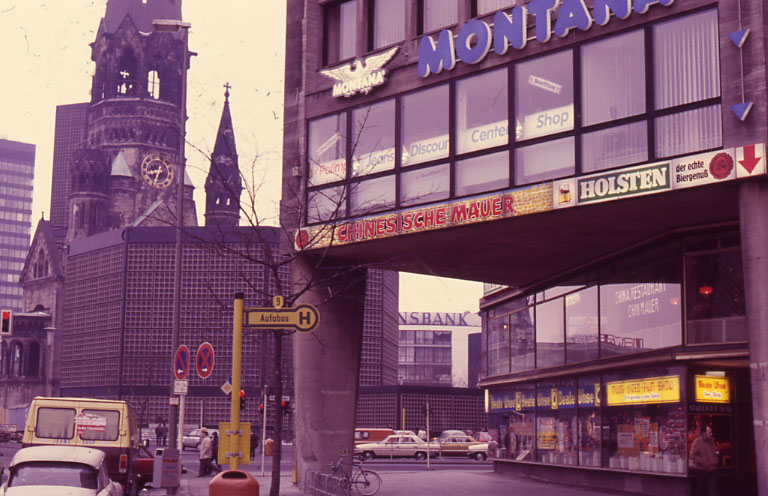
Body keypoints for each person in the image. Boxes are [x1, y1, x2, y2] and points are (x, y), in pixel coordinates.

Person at [689, 424, 718, 496]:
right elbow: (692, 455)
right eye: (709, 432)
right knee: (701, 491)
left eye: (711, 432)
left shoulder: (712, 441)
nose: (711, 434)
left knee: (713, 490)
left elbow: (715, 452)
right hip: (701, 470)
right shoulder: (697, 441)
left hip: (712, 470)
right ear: (704, 433)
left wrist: (715, 461)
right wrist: (702, 461)